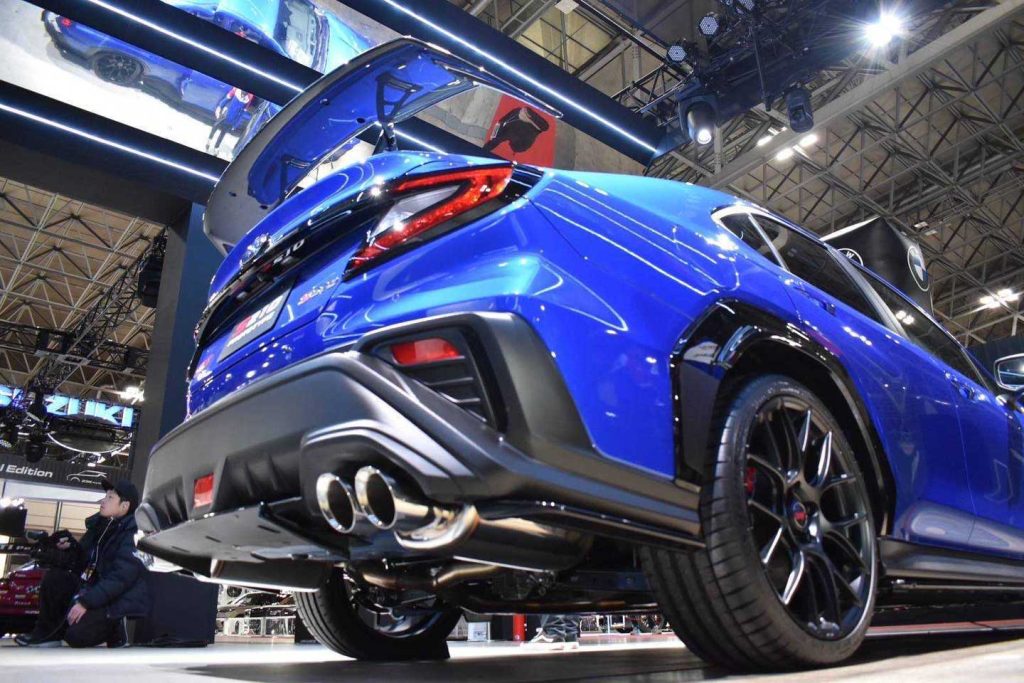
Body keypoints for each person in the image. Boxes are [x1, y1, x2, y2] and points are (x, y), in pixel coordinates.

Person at [15, 479, 150, 648]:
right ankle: (47, 634)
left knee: (76, 637)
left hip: (116, 599)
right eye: (105, 496)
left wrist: (86, 602)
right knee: (56, 578)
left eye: (110, 497)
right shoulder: (101, 526)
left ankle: (114, 628)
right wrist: (69, 547)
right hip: (95, 589)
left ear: (124, 506)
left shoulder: (134, 534)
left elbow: (120, 578)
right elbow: (82, 560)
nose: (103, 501)